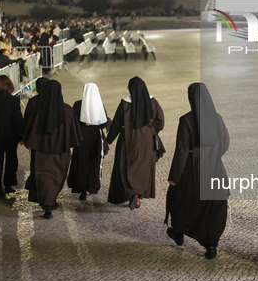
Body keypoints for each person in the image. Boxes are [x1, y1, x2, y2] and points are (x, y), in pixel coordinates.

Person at [165, 83, 230, 259]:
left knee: (181, 202)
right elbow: (225, 144)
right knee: (213, 208)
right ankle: (210, 245)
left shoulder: (186, 120)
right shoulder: (218, 119)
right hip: (216, 171)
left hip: (193, 172)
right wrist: (213, 155)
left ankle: (178, 232)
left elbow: (182, 151)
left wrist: (174, 177)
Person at [22, 80, 83, 219]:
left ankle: (46, 202)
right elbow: (74, 133)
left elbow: (30, 128)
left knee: (43, 176)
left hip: (41, 151)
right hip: (60, 151)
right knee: (57, 177)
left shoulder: (39, 109)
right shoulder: (67, 110)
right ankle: (50, 201)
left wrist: (26, 140)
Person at [106, 76, 164, 209]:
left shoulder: (124, 104)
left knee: (125, 166)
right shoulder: (153, 102)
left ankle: (131, 194)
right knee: (143, 168)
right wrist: (152, 131)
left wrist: (108, 140)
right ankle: (138, 196)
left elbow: (116, 125)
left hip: (128, 139)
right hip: (147, 140)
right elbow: (160, 121)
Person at [67, 83, 111, 200]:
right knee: (94, 162)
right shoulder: (99, 105)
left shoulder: (77, 105)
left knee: (81, 164)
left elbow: (73, 122)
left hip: (80, 139)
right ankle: (93, 186)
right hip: (94, 138)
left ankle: (82, 190)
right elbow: (103, 122)